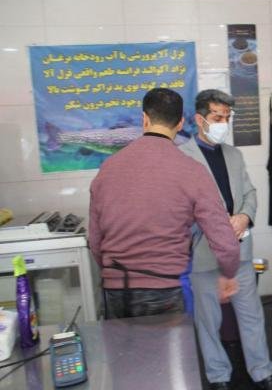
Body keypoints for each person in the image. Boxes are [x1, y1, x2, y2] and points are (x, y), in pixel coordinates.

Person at [88, 88, 240, 319]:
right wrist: (228, 273)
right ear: (180, 124)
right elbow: (223, 238)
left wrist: (112, 273)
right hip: (166, 289)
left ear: (144, 119)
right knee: (170, 344)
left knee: (122, 345)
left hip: (115, 290)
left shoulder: (108, 168)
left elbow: (95, 240)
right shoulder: (192, 171)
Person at [179, 89, 272, 390]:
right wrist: (213, 225)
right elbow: (178, 208)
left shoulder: (234, 155)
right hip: (203, 253)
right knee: (208, 321)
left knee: (251, 316)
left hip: (240, 252)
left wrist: (244, 217)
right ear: (199, 119)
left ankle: (262, 372)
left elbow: (250, 193)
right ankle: (218, 376)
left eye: (227, 117)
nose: (223, 123)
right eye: (217, 117)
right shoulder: (181, 158)